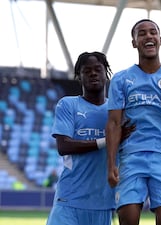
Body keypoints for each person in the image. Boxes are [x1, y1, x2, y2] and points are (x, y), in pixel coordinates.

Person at [105, 19, 161, 225]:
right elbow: (114, 123)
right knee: (128, 219)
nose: (148, 36)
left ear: (160, 40)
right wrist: (111, 164)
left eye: (153, 32)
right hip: (132, 156)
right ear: (134, 42)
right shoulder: (122, 78)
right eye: (141, 33)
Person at [47, 51, 134, 225]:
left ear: (106, 73)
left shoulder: (117, 110)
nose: (93, 73)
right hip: (69, 200)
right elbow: (63, 146)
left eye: (98, 69)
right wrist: (107, 140)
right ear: (79, 76)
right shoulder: (68, 104)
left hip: (103, 204)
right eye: (87, 71)